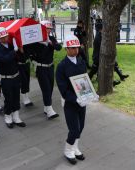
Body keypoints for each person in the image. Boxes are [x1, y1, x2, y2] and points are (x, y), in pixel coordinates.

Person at [56, 35, 98, 165]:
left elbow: (84, 80)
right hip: (70, 102)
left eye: (77, 47)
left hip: (82, 100)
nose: (75, 50)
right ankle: (68, 150)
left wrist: (91, 94)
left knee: (81, 126)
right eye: (72, 48)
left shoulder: (81, 62)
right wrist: (75, 99)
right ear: (66, 49)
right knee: (74, 129)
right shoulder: (62, 66)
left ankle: (75, 147)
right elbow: (63, 89)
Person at [26, 20, 62, 120]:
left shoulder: (51, 38)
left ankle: (46, 107)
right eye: (46, 28)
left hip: (50, 67)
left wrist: (50, 43)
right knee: (45, 88)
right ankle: (50, 110)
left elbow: (59, 47)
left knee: (50, 88)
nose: (48, 30)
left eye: (49, 28)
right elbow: (29, 52)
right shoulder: (35, 40)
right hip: (41, 67)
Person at [0, 27, 26, 128]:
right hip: (5, 78)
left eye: (6, 36)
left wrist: (20, 50)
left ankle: (16, 116)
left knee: (16, 97)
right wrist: (14, 51)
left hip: (16, 76)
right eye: (2, 37)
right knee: (8, 98)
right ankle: (8, 116)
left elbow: (21, 60)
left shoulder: (12, 45)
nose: (5, 38)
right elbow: (4, 59)